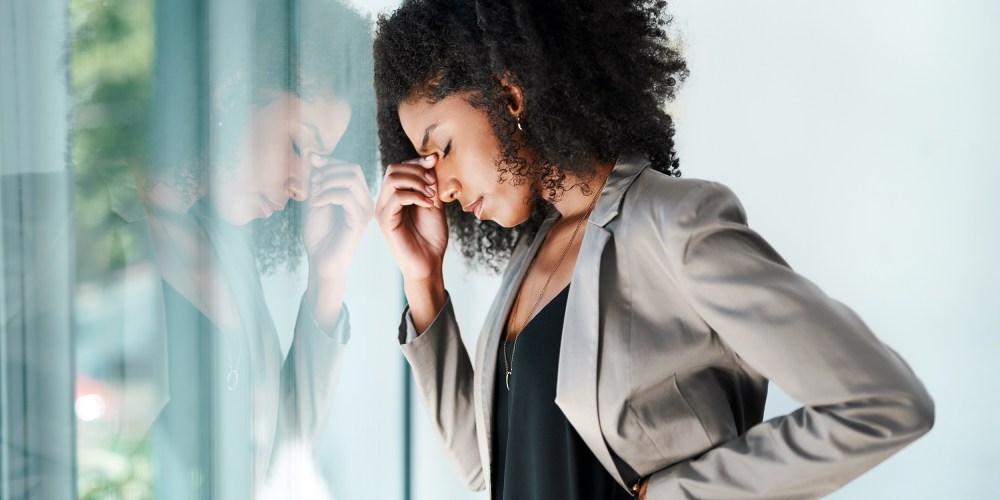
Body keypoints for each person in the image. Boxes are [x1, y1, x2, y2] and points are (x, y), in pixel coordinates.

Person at [372, 0, 934, 499]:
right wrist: (423, 282)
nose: (438, 186)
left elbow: (881, 403)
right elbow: (485, 466)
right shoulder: (532, 255)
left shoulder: (673, 225)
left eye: (440, 147)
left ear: (510, 96)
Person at [131, 0, 376, 497]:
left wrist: (327, 278)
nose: (305, 185)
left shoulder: (227, 250)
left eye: (319, 161)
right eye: (298, 145)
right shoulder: (102, 225)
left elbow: (282, 453)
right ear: (232, 91)